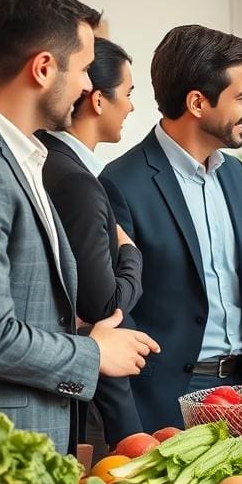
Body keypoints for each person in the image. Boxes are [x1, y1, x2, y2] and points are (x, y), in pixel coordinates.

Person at [0, 0, 160, 484]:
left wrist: (86, 338)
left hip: (33, 439)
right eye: (83, 69)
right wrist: (93, 354)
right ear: (43, 68)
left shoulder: (21, 156)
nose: (88, 87)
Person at [101, 24, 242, 432]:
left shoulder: (234, 175)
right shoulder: (120, 183)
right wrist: (131, 429)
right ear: (197, 102)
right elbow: (117, 311)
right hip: (165, 399)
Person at [37, 37, 143, 448]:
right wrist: (131, 252)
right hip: (84, 385)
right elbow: (103, 304)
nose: (130, 107)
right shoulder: (76, 181)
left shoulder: (45, 158)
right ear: (98, 100)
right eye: (128, 94)